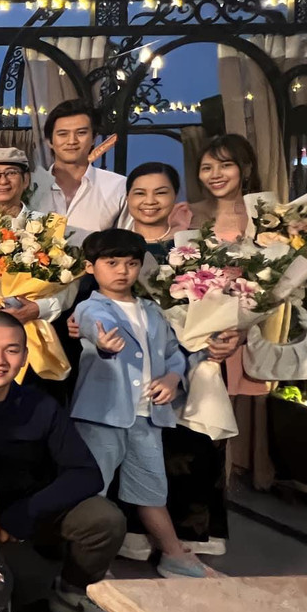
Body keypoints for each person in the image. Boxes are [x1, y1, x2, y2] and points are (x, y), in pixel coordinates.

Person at [0, 312, 136, 612]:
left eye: (11, 350)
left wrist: (23, 514)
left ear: (24, 356)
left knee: (104, 519)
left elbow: (86, 473)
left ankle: (72, 592)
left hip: (19, 523)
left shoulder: (39, 405)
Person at [70, 229, 213, 577]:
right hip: (102, 415)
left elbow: (174, 352)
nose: (122, 271)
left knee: (151, 489)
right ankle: (85, 566)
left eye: (131, 263)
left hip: (148, 416)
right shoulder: (90, 306)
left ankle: (173, 554)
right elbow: (92, 325)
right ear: (90, 267)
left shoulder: (153, 310)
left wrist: (173, 377)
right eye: (112, 263)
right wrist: (103, 341)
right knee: (92, 489)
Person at [186, 135, 263, 492]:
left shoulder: (266, 217)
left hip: (237, 334)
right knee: (191, 425)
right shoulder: (188, 213)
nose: (215, 174)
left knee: (223, 425)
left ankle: (218, 501)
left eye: (225, 165)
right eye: (207, 167)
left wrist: (242, 329)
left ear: (245, 169)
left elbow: (277, 280)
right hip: (192, 330)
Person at [0, 147, 73, 327]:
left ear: (26, 180)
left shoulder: (49, 226)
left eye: (11, 173)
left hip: (37, 325)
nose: (3, 180)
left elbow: (67, 282)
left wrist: (39, 308)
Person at [30, 102, 127, 240]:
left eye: (81, 133)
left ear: (94, 138)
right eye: (63, 134)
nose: (72, 141)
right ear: (49, 141)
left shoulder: (118, 186)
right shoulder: (29, 188)